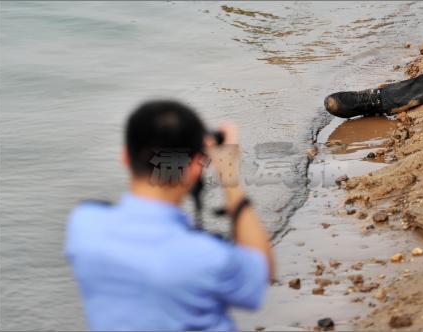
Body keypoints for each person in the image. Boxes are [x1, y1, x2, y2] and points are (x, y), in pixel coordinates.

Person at [65, 100, 274, 331]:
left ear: (124, 157)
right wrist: (229, 176)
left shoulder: (85, 226)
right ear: (195, 167)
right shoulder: (207, 256)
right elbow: (259, 276)